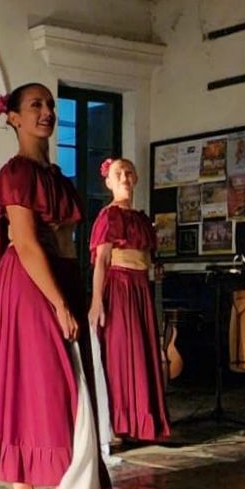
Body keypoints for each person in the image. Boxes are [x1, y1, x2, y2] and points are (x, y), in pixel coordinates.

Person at [0, 82, 103, 489]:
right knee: (50, 381)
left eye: (51, 105)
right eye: (35, 105)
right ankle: (60, 481)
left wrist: (76, 292)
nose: (47, 112)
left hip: (61, 275)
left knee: (41, 378)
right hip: (34, 283)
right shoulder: (17, 173)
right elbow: (24, 241)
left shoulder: (55, 177)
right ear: (13, 117)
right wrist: (58, 302)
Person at [89, 157, 171, 443]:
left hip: (140, 289)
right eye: (117, 173)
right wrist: (97, 302)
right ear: (109, 182)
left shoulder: (140, 219)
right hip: (120, 288)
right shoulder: (109, 216)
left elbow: (147, 258)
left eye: (128, 172)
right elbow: (101, 261)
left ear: (135, 178)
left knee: (141, 354)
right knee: (120, 355)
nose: (124, 177)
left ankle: (140, 422)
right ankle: (113, 424)